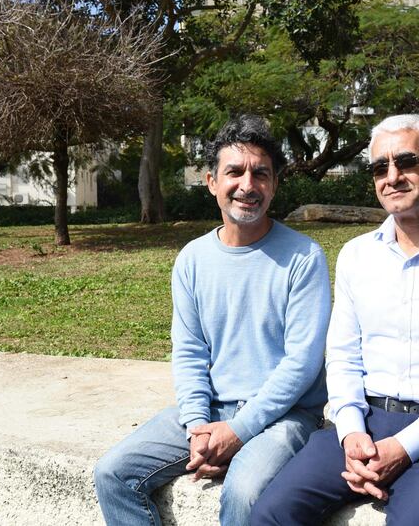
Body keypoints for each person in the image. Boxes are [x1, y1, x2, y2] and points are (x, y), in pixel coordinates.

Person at [251, 114, 419, 526]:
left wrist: (405, 446)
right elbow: (342, 355)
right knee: (269, 515)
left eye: (406, 162)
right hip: (364, 422)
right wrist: (352, 432)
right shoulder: (357, 255)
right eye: (379, 167)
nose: (391, 176)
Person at [93, 114, 331, 526]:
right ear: (211, 182)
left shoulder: (304, 257)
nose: (247, 185)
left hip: (286, 415)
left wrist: (238, 430)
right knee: (114, 473)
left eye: (261, 174)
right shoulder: (192, 259)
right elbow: (188, 352)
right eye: (234, 172)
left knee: (244, 493)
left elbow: (302, 363)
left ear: (274, 184)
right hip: (212, 407)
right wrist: (199, 426)